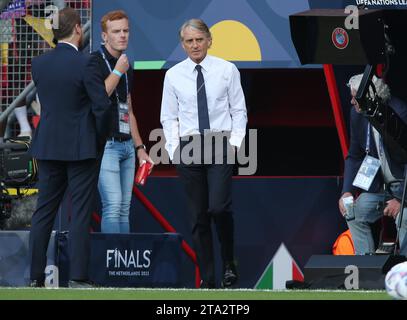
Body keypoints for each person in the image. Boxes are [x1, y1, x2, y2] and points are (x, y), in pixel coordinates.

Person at [160, 19, 247, 288]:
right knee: (197, 217)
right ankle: (208, 280)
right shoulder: (173, 75)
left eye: (199, 39)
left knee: (219, 208)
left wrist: (234, 144)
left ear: (209, 39)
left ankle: (229, 262)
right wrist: (175, 149)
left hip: (220, 143)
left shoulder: (227, 70)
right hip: (188, 146)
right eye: (189, 41)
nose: (195, 45)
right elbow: (168, 117)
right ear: (182, 44)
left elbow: (239, 110)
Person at [28, 7, 111, 288]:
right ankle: (78, 277)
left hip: (48, 146)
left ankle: (35, 278)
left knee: (43, 212)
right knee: (81, 212)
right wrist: (99, 140)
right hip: (81, 148)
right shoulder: (87, 63)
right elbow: (102, 107)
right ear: (78, 28)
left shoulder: (38, 64)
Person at [92, 10, 153, 234]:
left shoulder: (127, 64)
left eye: (126, 30)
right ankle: (111, 265)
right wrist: (118, 71)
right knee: (113, 205)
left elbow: (128, 107)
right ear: (104, 36)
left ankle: (121, 267)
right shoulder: (94, 61)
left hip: (127, 144)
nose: (122, 35)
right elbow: (99, 97)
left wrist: (140, 148)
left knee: (124, 209)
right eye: (116, 31)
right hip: (106, 144)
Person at [339, 73, 407, 255]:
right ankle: (365, 268)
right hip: (380, 187)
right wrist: (347, 191)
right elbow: (354, 156)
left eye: (355, 97)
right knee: (352, 212)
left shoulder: (399, 112)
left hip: (404, 188)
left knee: (404, 217)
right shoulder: (357, 114)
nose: (352, 102)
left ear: (370, 97)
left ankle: (403, 271)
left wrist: (401, 201)